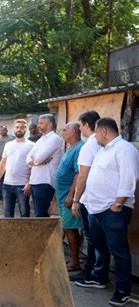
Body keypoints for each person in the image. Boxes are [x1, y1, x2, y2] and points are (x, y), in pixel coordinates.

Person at [74, 118, 137, 306]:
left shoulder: (124, 149)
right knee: (100, 246)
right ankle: (100, 279)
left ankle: (123, 290)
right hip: (96, 209)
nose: (95, 137)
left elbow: (130, 177)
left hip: (113, 209)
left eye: (96, 133)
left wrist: (118, 203)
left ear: (103, 131)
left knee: (120, 251)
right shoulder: (103, 150)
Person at [71, 110, 110, 283]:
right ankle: (93, 273)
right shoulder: (103, 144)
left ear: (87, 125)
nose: (81, 130)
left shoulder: (90, 145)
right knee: (96, 239)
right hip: (100, 198)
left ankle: (93, 274)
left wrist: (76, 200)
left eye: (81, 126)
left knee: (93, 238)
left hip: (89, 199)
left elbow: (82, 176)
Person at [56, 122, 84, 271]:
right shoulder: (71, 148)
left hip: (68, 196)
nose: (62, 132)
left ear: (73, 132)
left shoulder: (80, 148)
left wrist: (71, 195)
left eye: (65, 130)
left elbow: (78, 173)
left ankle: (75, 261)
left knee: (70, 228)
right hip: (62, 196)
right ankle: (73, 259)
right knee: (67, 228)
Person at [0, 119, 33, 217]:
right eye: (17, 127)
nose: (19, 129)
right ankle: (9, 232)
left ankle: (24, 232)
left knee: (24, 213)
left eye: (22, 128)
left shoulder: (31, 146)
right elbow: (3, 163)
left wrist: (29, 183)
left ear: (26, 129)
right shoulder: (8, 145)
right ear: (14, 129)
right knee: (7, 214)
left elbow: (33, 167)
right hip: (7, 185)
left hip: (22, 186)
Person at [26, 114, 63, 217]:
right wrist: (35, 161)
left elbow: (38, 158)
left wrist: (35, 161)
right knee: (38, 214)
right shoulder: (42, 139)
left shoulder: (55, 139)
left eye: (41, 123)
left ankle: (45, 234)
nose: (38, 125)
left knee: (41, 215)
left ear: (49, 125)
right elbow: (28, 157)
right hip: (35, 180)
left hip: (45, 181)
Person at [0, 126, 15, 199]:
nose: (3, 131)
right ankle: (0, 195)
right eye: (1, 130)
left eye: (4, 130)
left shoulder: (11, 138)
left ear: (7, 130)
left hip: (9, 163)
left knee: (9, 180)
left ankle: (10, 196)